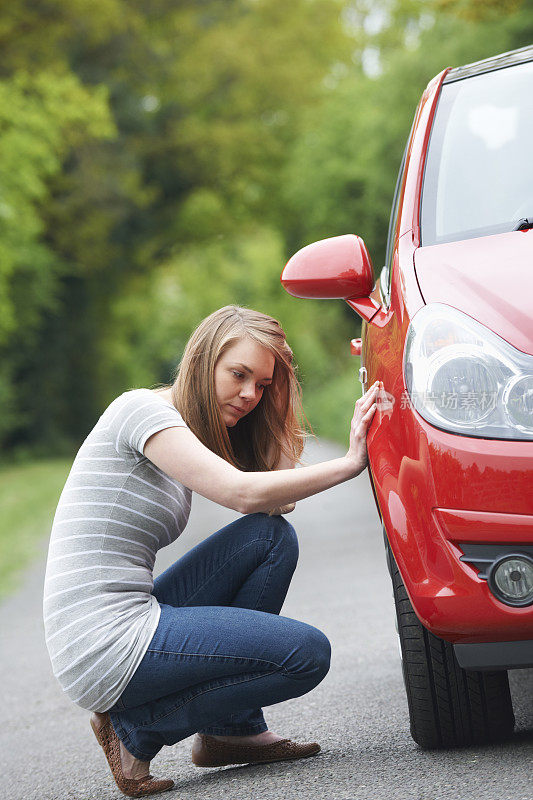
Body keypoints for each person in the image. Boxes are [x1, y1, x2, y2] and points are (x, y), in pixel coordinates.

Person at [43, 305, 379, 798]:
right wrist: (350, 464)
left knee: (269, 539)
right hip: (101, 641)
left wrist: (281, 394)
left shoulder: (189, 428)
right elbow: (244, 492)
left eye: (261, 384)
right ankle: (136, 730)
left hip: (128, 616)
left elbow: (278, 501)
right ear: (204, 362)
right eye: (238, 375)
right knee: (307, 655)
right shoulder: (143, 413)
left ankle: (232, 729)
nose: (249, 394)